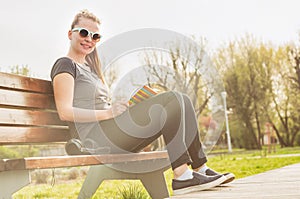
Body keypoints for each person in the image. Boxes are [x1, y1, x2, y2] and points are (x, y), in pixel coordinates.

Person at [50, 9, 235, 195]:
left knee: (182, 100)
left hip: (110, 133)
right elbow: (64, 111)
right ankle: (181, 176)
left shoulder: (90, 70)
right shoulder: (65, 64)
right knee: (171, 100)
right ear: (70, 34)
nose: (89, 38)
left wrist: (122, 108)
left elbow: (98, 107)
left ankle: (200, 168)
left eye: (95, 36)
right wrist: (108, 113)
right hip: (94, 140)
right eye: (84, 32)